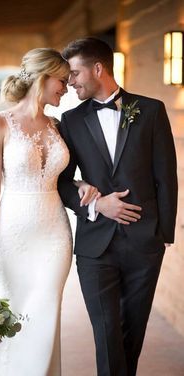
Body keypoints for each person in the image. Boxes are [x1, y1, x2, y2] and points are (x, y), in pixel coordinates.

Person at [0, 47, 99, 376]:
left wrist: (82, 184)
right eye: (62, 79)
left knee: (44, 320)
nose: (67, 86)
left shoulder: (59, 126)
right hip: (11, 234)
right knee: (10, 322)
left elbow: (64, 177)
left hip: (54, 235)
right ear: (44, 78)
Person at [58, 37, 178, 376]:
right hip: (95, 246)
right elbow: (63, 182)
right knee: (107, 333)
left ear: (98, 69)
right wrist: (97, 205)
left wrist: (162, 235)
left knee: (131, 335)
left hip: (144, 243)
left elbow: (166, 176)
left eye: (75, 73)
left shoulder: (151, 110)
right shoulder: (71, 120)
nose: (71, 82)